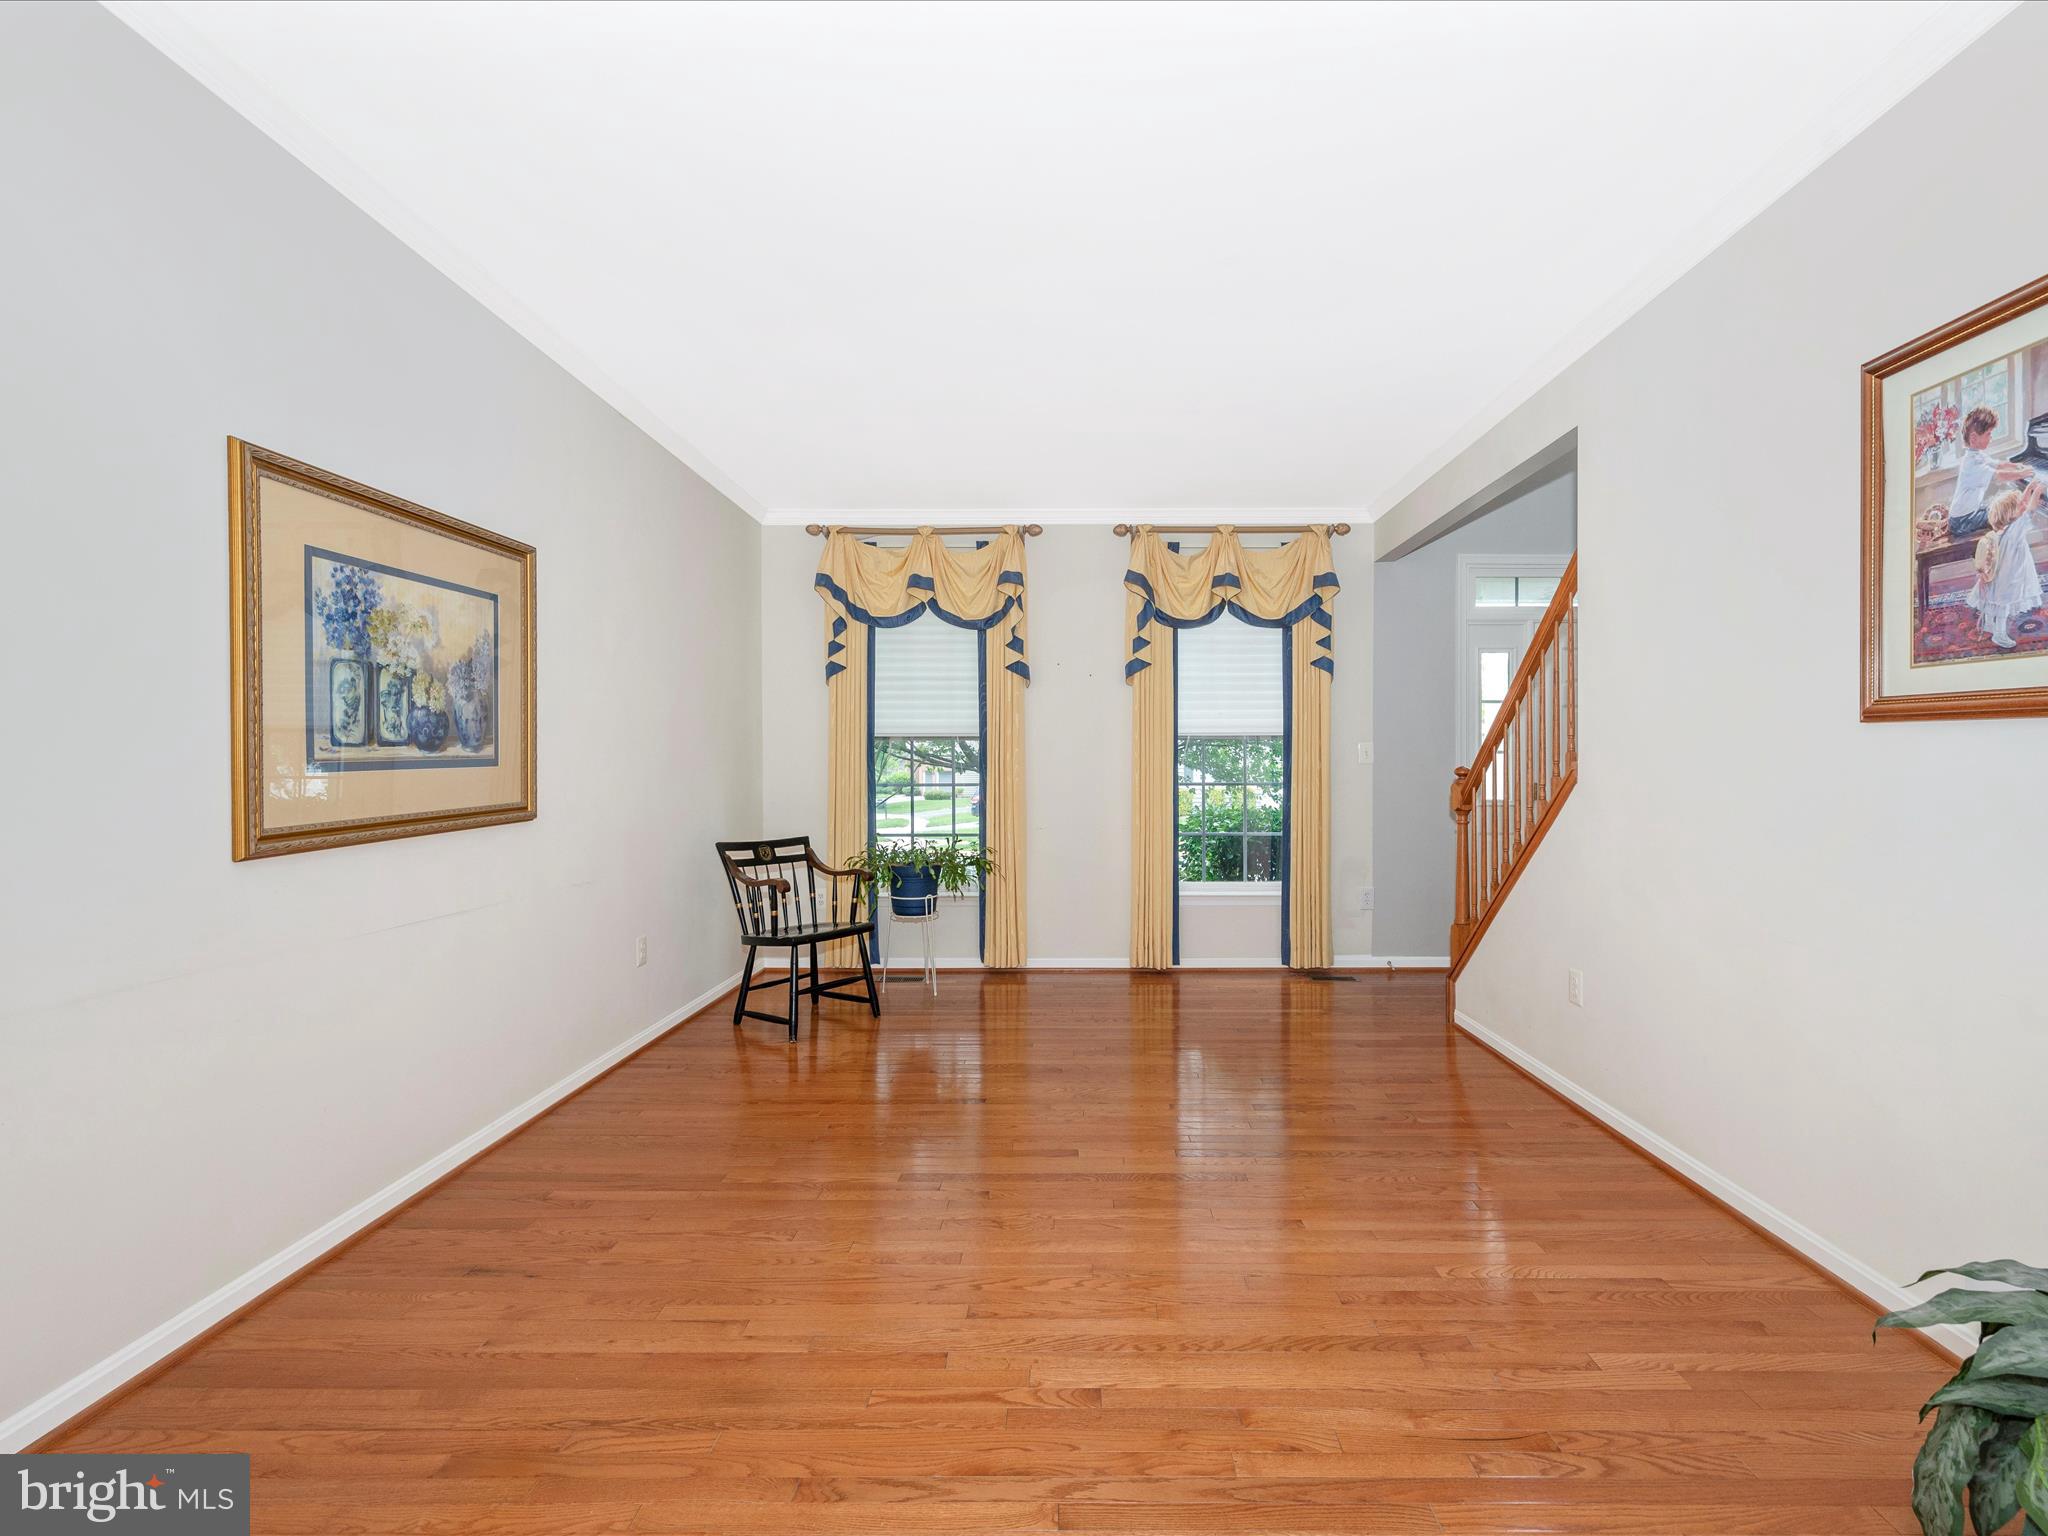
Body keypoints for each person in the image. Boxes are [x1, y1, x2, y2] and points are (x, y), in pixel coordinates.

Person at [1967, 479, 2047, 649]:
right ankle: (1999, 634)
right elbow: (2029, 510)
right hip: (2009, 577)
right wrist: (2039, 489)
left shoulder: (2003, 530)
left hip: (1996, 574)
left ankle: (1988, 624)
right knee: (2003, 603)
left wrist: (2029, 488)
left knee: (1991, 599)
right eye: (2020, 506)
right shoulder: (2016, 529)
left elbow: (2021, 506)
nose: (2024, 506)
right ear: (2012, 514)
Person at [1940, 407, 2032, 540]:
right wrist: (2022, 474)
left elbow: (1998, 464)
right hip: (1962, 521)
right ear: (1973, 438)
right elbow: (1999, 476)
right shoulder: (1972, 463)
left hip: (1966, 515)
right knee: (2003, 512)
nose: (1991, 438)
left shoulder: (1976, 455)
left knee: (1999, 506)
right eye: (1988, 434)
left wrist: (2015, 465)